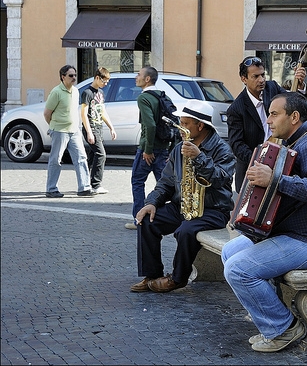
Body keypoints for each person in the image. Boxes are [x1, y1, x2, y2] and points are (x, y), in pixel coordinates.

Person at [222, 92, 307, 353]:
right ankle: (269, 313)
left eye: (274, 114)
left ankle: (283, 328)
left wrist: (273, 178)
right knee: (229, 250)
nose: (268, 120)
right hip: (293, 234)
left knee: (238, 269)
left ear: (295, 117)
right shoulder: (292, 142)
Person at [130, 100, 236, 293]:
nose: (181, 128)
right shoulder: (179, 147)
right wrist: (152, 202)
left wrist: (199, 157)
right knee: (147, 221)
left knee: (186, 231)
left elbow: (221, 178)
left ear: (200, 125)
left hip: (213, 210)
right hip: (184, 205)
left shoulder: (222, 149)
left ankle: (178, 278)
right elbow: (166, 182)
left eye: (185, 123)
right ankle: (152, 275)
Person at [226, 56, 306, 193]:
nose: (261, 80)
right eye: (255, 76)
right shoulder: (236, 109)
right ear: (244, 79)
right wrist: (261, 160)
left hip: (281, 164)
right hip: (252, 170)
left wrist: (300, 87)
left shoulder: (272, 87)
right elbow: (237, 145)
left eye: (263, 75)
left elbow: (296, 105)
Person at [126, 66, 172, 230]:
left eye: (138, 74)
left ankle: (138, 218)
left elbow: (150, 126)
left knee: (138, 181)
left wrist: (148, 150)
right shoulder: (161, 95)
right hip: (163, 147)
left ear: (147, 79)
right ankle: (171, 216)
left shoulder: (144, 98)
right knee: (166, 184)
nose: (136, 77)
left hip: (148, 148)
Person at [43, 65, 94, 198]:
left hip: (74, 130)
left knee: (81, 157)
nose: (74, 78)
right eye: (71, 75)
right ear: (63, 77)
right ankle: (51, 189)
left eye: (75, 75)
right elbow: (47, 113)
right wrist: (54, 126)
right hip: (60, 131)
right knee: (56, 160)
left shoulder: (76, 91)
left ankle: (84, 187)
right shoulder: (56, 92)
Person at [80, 67, 117, 194]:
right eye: (104, 81)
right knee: (101, 154)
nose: (105, 84)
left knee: (92, 157)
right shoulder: (87, 93)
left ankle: (86, 183)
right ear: (97, 77)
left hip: (99, 128)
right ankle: (96, 184)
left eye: (107, 82)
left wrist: (111, 127)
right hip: (91, 128)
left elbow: (102, 112)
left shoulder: (100, 93)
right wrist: (89, 131)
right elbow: (84, 114)